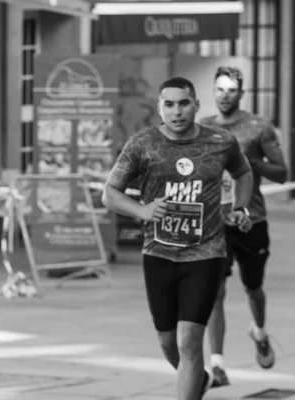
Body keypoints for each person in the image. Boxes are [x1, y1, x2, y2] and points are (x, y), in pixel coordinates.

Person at [102, 77, 253, 400]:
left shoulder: (221, 142)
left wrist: (241, 206)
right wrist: (141, 211)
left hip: (206, 253)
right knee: (168, 343)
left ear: (196, 105)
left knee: (188, 341)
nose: (177, 111)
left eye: (183, 103)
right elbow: (110, 194)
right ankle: (198, 381)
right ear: (160, 108)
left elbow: (243, 172)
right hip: (158, 253)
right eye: (168, 104)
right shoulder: (143, 144)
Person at [200, 66, 288, 386]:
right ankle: (218, 365)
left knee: (253, 288)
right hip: (215, 222)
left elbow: (282, 173)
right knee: (215, 291)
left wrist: (251, 163)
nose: (225, 95)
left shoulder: (258, 127)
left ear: (241, 93)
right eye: (220, 89)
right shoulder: (203, 129)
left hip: (252, 220)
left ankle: (260, 332)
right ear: (213, 91)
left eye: (232, 90)